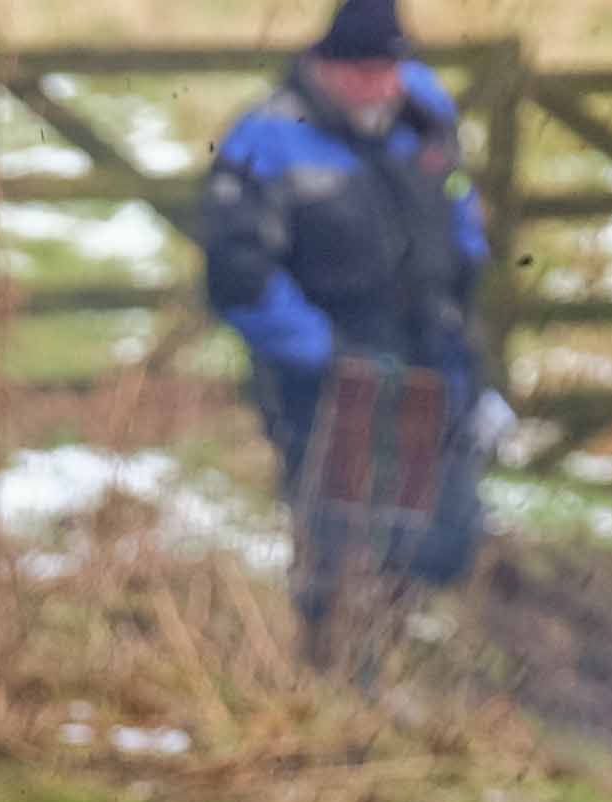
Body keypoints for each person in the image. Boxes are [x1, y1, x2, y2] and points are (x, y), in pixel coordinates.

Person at [197, 0, 494, 637]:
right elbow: (239, 275)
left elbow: (459, 208)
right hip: (327, 370)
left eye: (391, 68)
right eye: (364, 71)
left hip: (428, 353)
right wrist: (326, 354)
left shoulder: (424, 114)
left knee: (441, 526)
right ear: (326, 66)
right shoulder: (267, 139)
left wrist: (463, 294)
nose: (380, 86)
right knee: (339, 525)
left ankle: (398, 636)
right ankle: (335, 662)